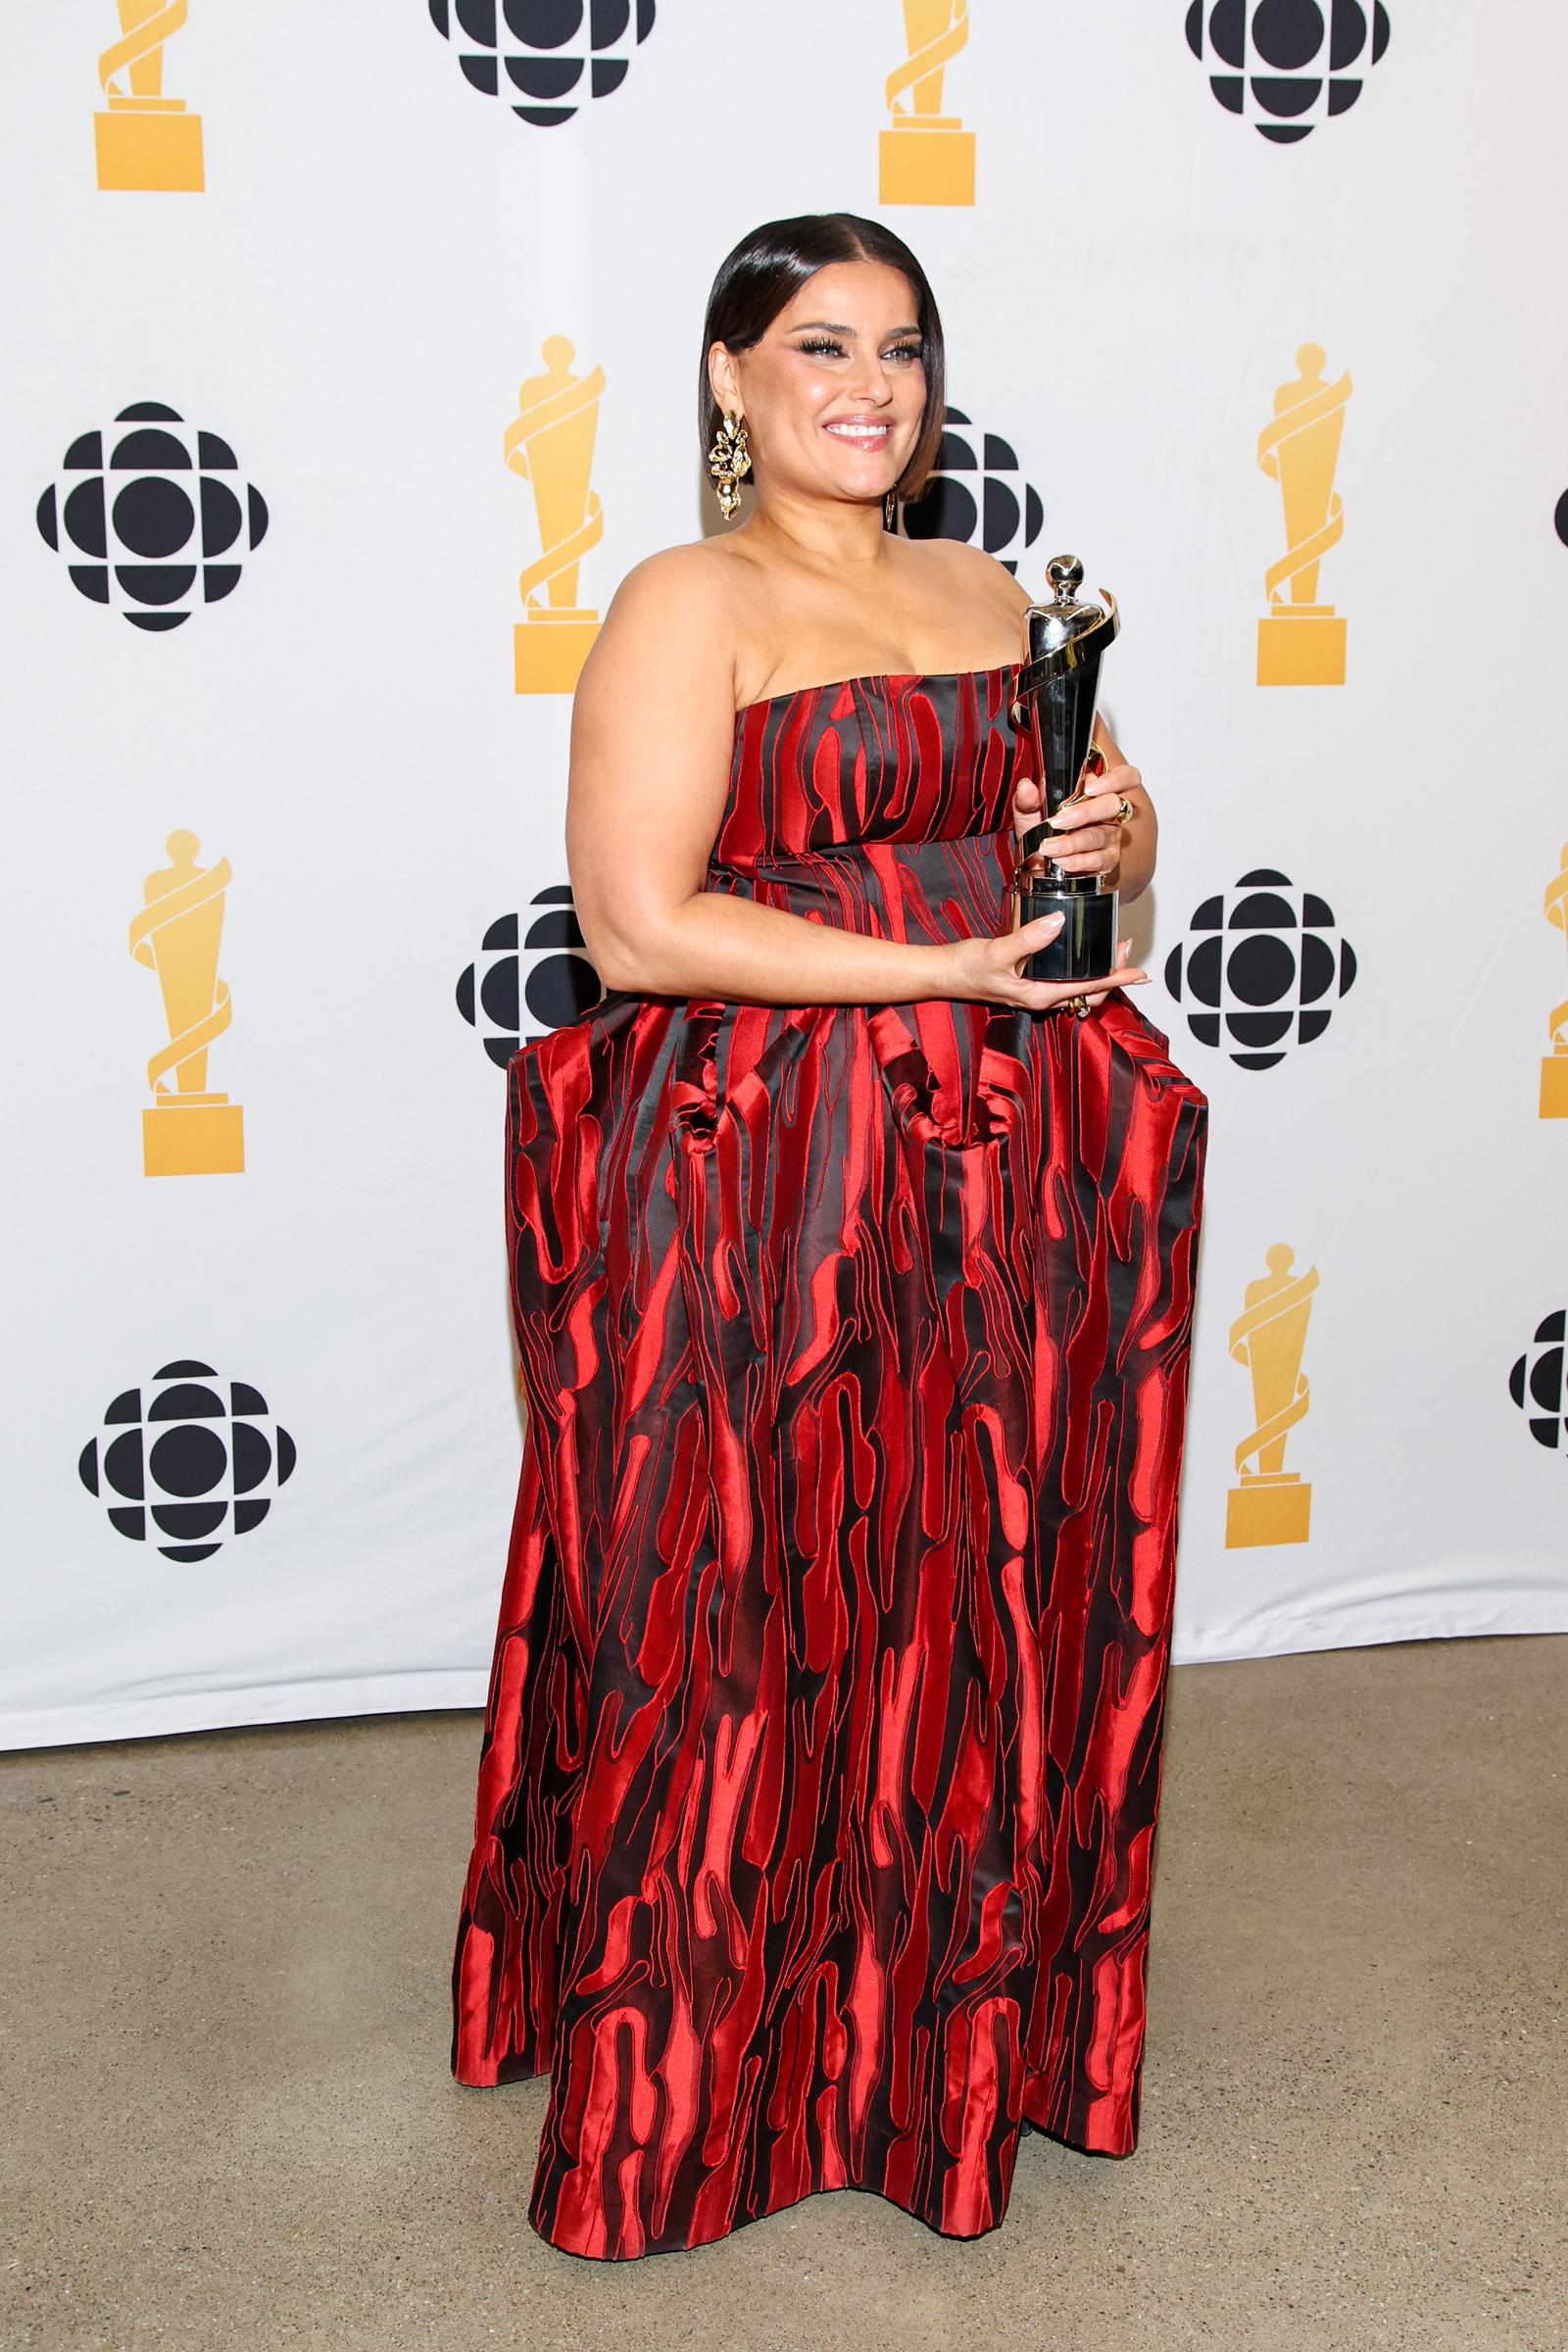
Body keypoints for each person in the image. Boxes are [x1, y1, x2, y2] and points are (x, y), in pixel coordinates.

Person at [451, 211, 1208, 2262]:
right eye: (816, 346)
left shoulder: (986, 587)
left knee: (978, 1592)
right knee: (748, 1605)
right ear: (727, 380)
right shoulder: (688, 601)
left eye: (898, 349)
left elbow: (1094, 852)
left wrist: (1113, 844)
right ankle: (698, 2084)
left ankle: (949, 2045)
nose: (866, 386)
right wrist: (951, 963)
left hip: (1013, 1171)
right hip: (765, 1180)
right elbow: (636, 923)